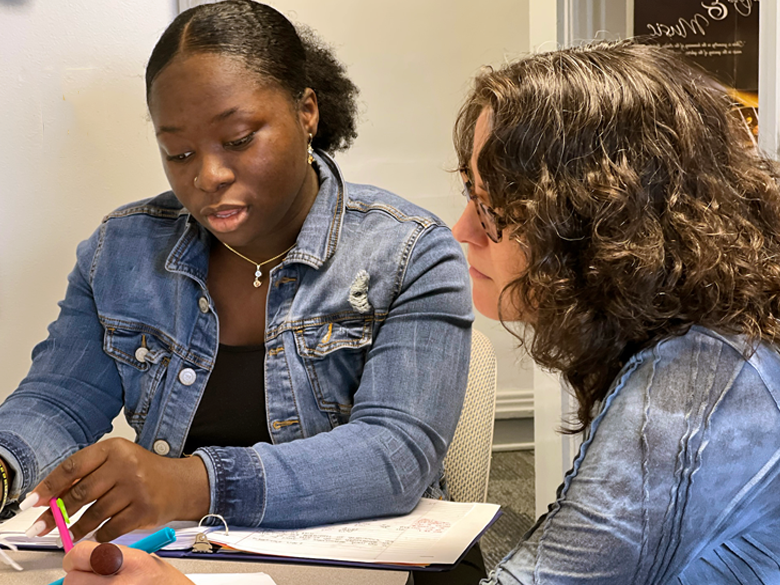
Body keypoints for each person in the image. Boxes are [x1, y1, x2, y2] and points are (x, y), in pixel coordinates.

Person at [0, 0, 473, 565]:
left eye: (240, 138)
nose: (207, 175)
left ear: (307, 112)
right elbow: (60, 399)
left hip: (385, 568)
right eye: (178, 152)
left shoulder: (409, 251)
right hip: (195, 562)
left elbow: (394, 453)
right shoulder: (120, 251)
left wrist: (192, 483)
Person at [451, 41, 780, 583]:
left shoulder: (696, 381)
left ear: (598, 225)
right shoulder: (701, 334)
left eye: (492, 210)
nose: (462, 230)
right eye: (470, 191)